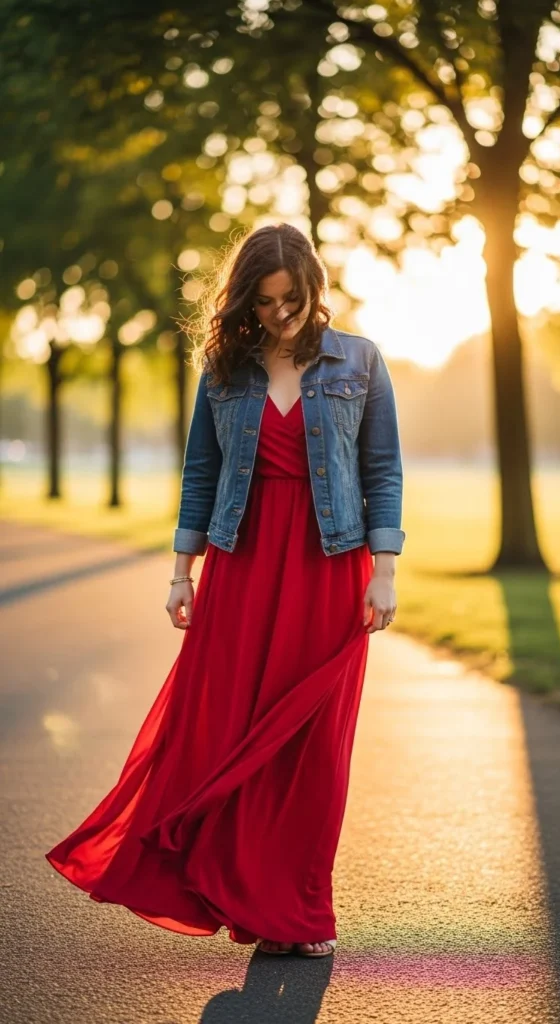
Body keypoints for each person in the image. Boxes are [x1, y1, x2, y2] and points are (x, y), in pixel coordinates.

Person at [45, 222, 406, 960]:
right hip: (239, 567)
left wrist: (386, 568)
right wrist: (182, 571)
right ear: (246, 300)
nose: (281, 313)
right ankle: (241, 892)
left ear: (316, 288)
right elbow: (200, 476)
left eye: (293, 298)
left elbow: (383, 470)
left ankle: (299, 909)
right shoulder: (224, 370)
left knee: (312, 747)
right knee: (225, 733)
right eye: (267, 301)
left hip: (327, 563)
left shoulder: (361, 362)